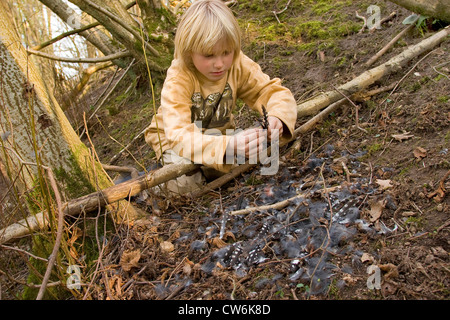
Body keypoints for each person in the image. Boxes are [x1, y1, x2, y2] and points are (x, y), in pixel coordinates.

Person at [144, 0, 297, 194]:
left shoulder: (236, 63)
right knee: (185, 187)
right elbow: (179, 135)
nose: (220, 64)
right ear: (189, 52)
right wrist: (229, 147)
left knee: (258, 153)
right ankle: (151, 185)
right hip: (175, 142)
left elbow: (269, 91)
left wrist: (277, 117)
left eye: (226, 52)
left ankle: (212, 168)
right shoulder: (179, 77)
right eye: (209, 55)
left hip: (218, 136)